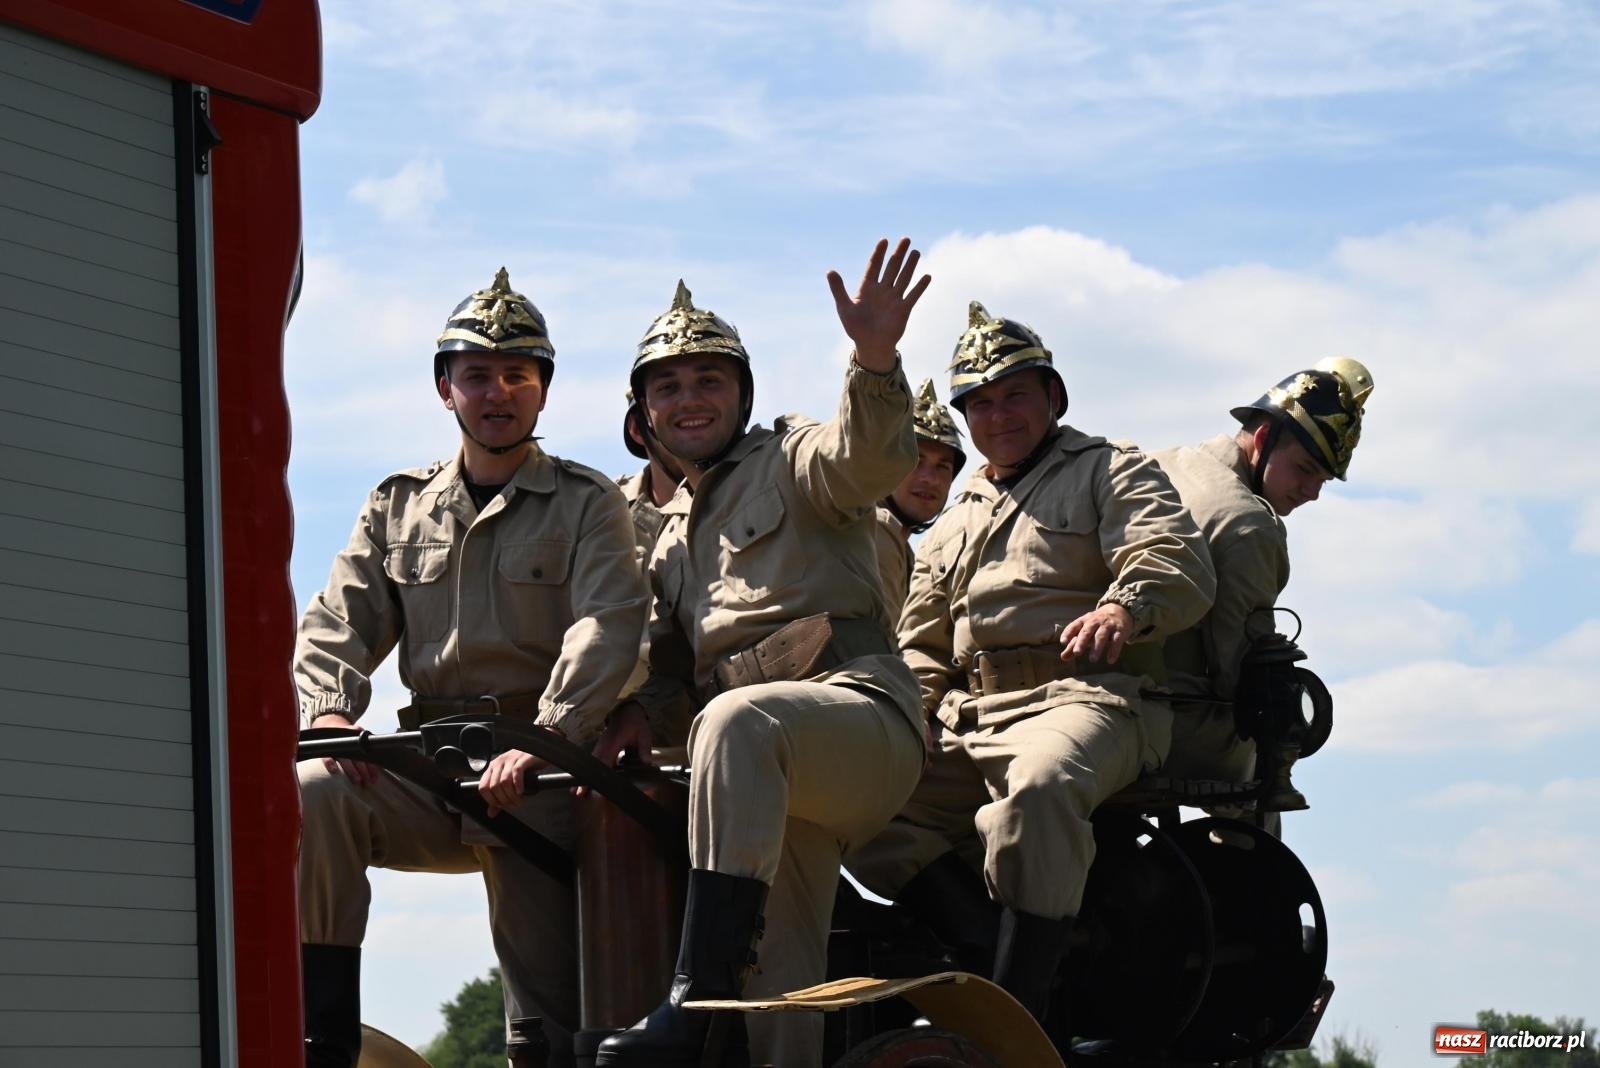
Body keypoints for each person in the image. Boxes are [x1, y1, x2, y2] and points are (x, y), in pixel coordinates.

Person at [293, 269, 648, 1068]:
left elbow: (608, 625)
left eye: (519, 374)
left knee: (550, 1011)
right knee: (316, 792)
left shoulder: (588, 503)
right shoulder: (398, 505)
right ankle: (320, 1040)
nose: (499, 392)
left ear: (544, 393)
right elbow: (337, 621)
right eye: (478, 374)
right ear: (445, 388)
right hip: (429, 764)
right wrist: (327, 712)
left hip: (541, 771)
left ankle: (546, 1046)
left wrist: (551, 736)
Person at [592, 241, 932, 1068]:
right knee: (784, 995)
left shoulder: (793, 459)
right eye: (667, 386)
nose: (690, 399)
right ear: (645, 414)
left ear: (742, 394)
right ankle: (738, 1016)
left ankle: (690, 1004)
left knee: (738, 722)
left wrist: (875, 358)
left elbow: (870, 459)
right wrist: (639, 710)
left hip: (859, 719)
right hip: (763, 780)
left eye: (710, 379)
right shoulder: (667, 543)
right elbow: (672, 676)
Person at [897, 301, 1216, 1028]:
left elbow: (1175, 560)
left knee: (1037, 788)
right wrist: (909, 712)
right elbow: (918, 640)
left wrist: (1122, 609)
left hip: (1085, 698)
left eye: (1015, 395)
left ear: (1053, 396)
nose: (998, 416)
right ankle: (984, 950)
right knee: (858, 795)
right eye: (979, 404)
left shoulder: (1109, 468)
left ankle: (1014, 1021)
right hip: (966, 715)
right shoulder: (955, 515)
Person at [1155, 358, 1374, 812]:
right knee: (1264, 760)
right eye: (1305, 468)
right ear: (1262, 438)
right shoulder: (1250, 525)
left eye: (1323, 479)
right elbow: (1237, 673)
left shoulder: (1164, 463)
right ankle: (1243, 872)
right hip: (1161, 721)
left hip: (1094, 696)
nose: (1312, 491)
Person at [872, 378, 965, 618]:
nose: (930, 479)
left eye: (942, 467)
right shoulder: (870, 529)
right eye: (915, 461)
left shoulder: (911, 556)